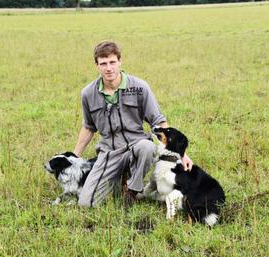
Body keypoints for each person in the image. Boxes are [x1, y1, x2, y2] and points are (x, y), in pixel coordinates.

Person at [73, 40, 193, 207]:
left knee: (147, 147)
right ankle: (117, 181)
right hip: (109, 151)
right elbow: (88, 127)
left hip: (137, 145)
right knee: (87, 203)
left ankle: (132, 191)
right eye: (103, 63)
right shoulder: (88, 93)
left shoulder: (140, 87)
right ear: (97, 65)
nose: (109, 68)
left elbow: (158, 121)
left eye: (112, 62)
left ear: (120, 61)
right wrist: (74, 156)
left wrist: (181, 154)